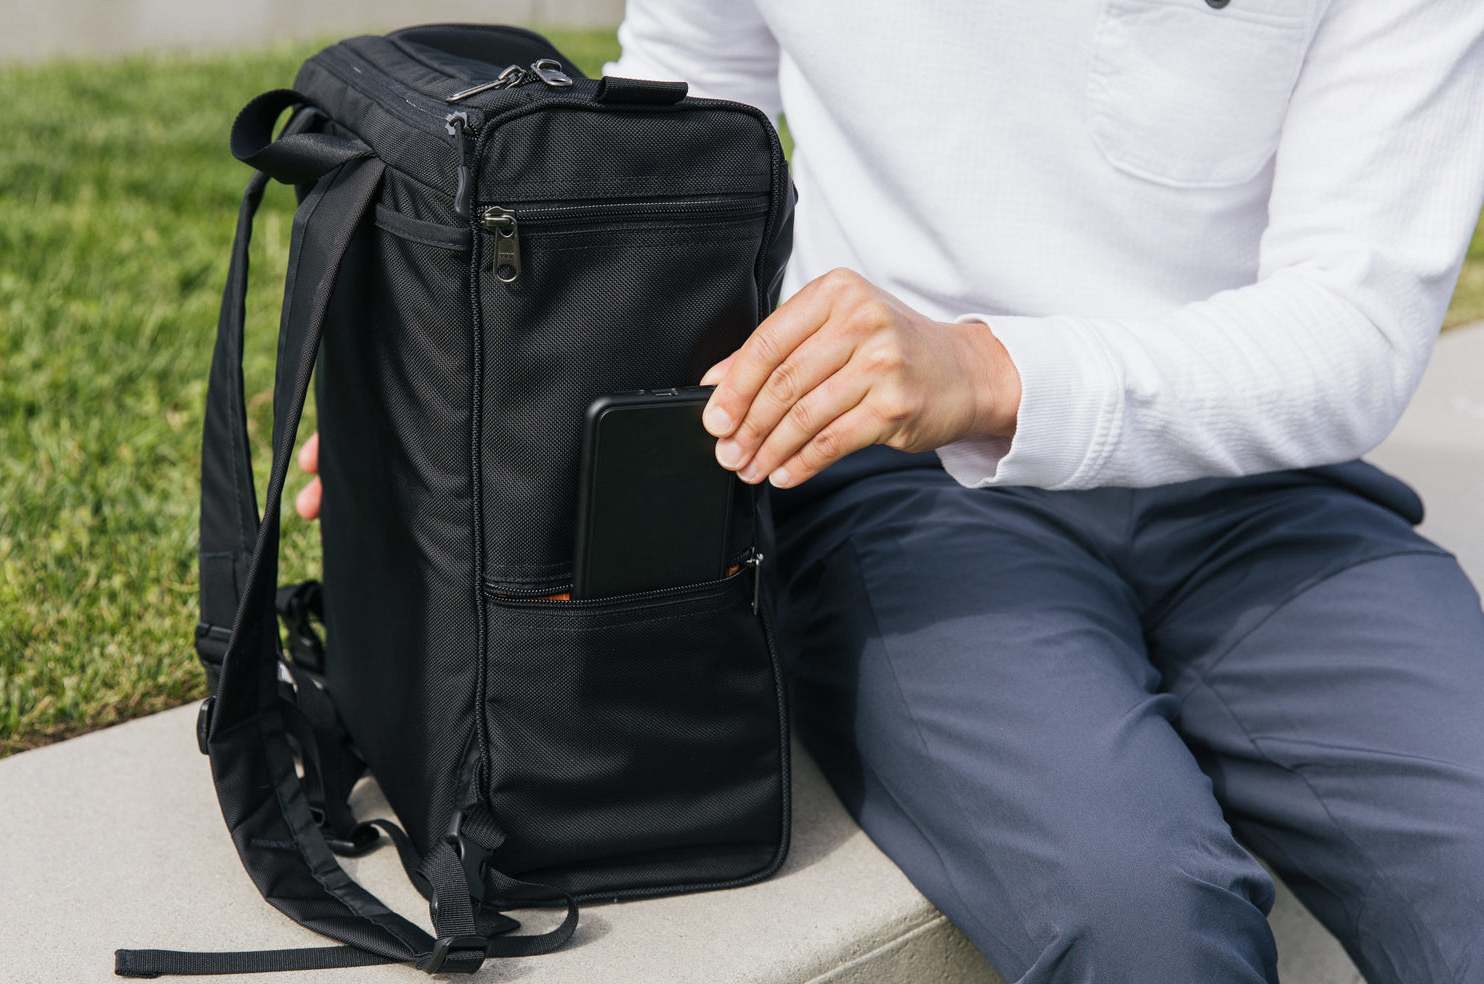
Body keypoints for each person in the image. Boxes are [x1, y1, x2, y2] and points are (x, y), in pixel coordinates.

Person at [298, 3, 1484, 979]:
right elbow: (681, 114)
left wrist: (989, 367)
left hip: (1259, 480)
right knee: (1138, 913)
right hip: (896, 481)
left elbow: (1356, 319)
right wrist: (466, 419)